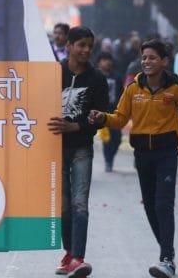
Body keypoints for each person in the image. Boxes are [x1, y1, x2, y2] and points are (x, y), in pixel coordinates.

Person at [89, 38, 178, 278]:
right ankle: (167, 253)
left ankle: (166, 258)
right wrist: (102, 117)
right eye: (144, 58)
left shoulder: (175, 89)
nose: (147, 62)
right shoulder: (133, 89)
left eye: (152, 57)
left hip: (166, 154)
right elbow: (120, 118)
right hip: (142, 154)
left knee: (164, 203)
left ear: (164, 61)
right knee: (151, 206)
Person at [48, 26, 106, 278]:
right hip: (53, 149)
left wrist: (76, 125)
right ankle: (69, 253)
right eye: (81, 45)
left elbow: (102, 116)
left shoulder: (97, 78)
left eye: (89, 46)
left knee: (80, 203)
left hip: (82, 147)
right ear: (68, 46)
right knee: (63, 206)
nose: (86, 50)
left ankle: (78, 257)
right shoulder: (51, 73)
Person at [95, 51, 124, 172]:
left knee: (117, 138)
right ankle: (108, 161)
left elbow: (122, 94)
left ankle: (111, 156)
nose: (108, 62)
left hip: (114, 111)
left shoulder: (116, 76)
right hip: (101, 111)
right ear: (99, 62)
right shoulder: (95, 75)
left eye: (109, 59)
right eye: (104, 60)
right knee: (107, 138)